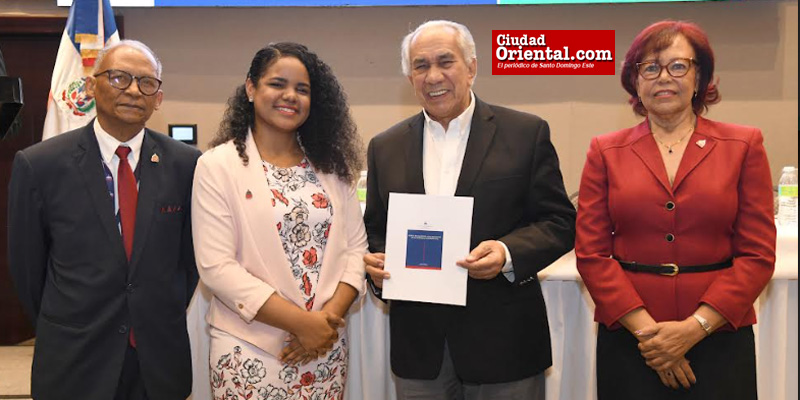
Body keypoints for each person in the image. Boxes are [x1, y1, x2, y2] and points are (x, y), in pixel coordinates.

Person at [363, 20, 576, 399]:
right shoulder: (385, 146)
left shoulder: (525, 133)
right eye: (421, 65)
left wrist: (507, 253)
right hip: (420, 349)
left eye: (445, 61)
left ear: (471, 67)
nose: (433, 76)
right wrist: (379, 268)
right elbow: (377, 230)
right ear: (410, 78)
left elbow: (559, 222)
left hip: (505, 343)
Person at [575, 20, 776, 400]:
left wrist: (693, 329)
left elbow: (758, 255)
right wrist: (652, 337)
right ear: (635, 82)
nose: (663, 77)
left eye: (678, 66)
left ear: (700, 78)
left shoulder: (743, 145)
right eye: (650, 67)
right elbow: (591, 255)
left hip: (719, 336)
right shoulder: (605, 150)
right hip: (632, 341)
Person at [7, 40, 200, 400]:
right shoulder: (41, 165)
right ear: (91, 86)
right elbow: (28, 269)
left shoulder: (187, 165)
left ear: (158, 98)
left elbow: (188, 263)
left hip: (157, 359)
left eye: (146, 82)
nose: (133, 90)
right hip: (75, 357)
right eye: (119, 78)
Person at [191, 42, 367, 400]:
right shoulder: (216, 166)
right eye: (277, 84)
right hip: (248, 349)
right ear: (251, 88)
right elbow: (216, 267)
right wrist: (301, 324)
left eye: (302, 89)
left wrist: (324, 325)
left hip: (324, 349)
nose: (290, 96)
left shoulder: (332, 166)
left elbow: (356, 251)